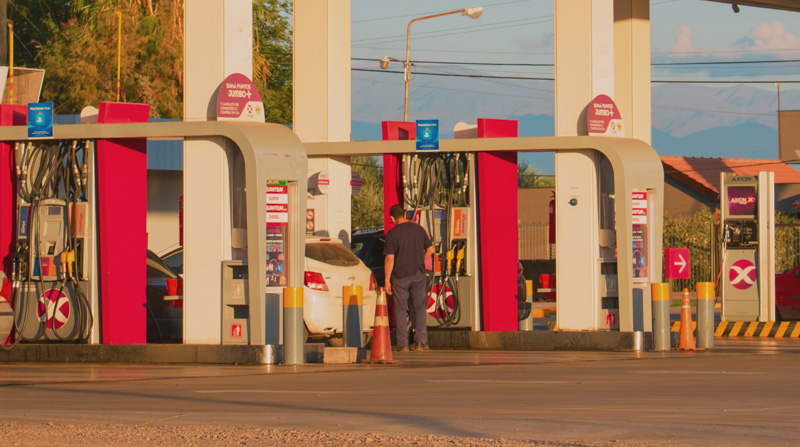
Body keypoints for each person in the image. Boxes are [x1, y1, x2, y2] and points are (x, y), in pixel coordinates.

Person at [384, 205, 434, 352]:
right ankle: (420, 342)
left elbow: (390, 259)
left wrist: (387, 280)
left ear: (392, 219)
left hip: (400, 277)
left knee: (400, 309)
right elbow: (430, 250)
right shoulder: (419, 229)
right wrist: (419, 259)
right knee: (419, 308)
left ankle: (402, 344)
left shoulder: (392, 234)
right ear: (405, 214)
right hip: (418, 274)